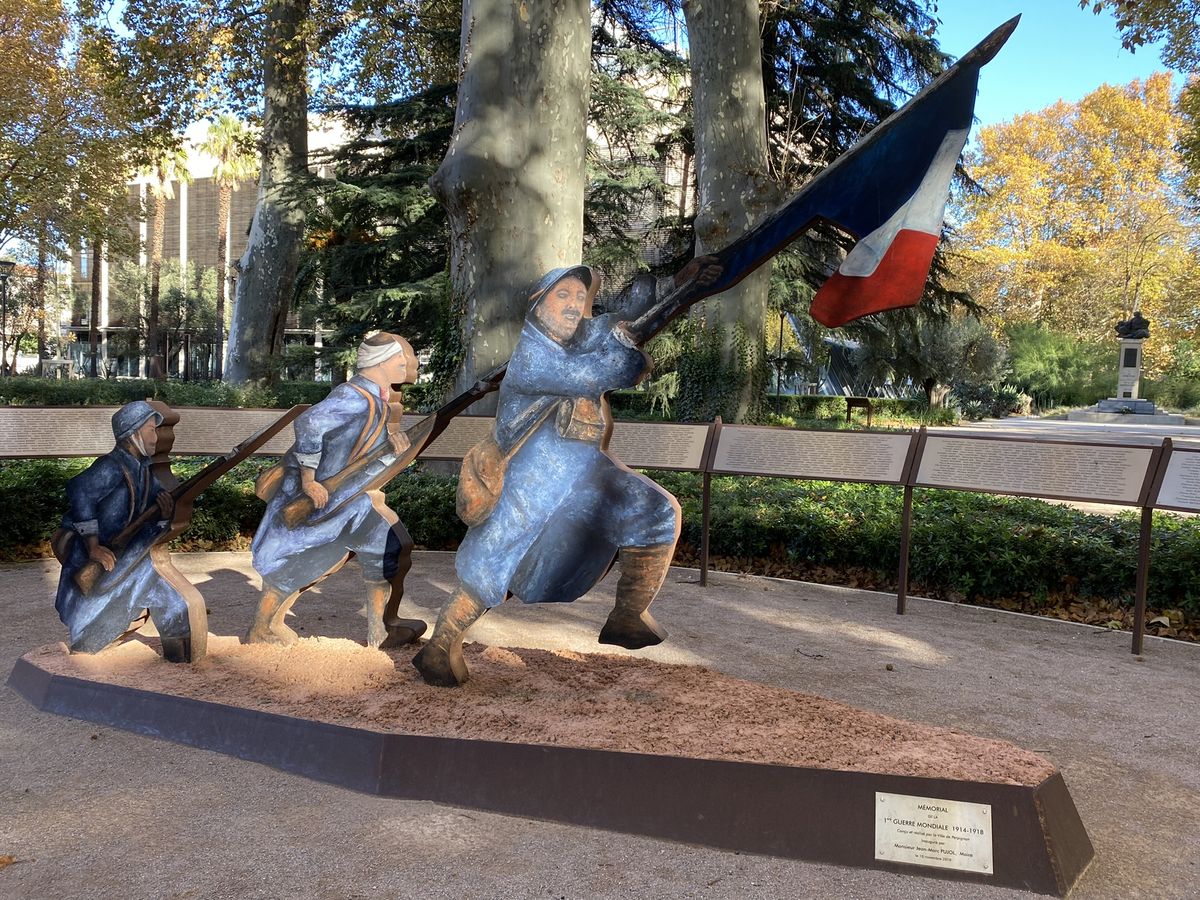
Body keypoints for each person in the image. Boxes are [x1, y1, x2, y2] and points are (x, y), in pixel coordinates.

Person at [413, 258, 721, 686]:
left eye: (581, 297)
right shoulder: (532, 357)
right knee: (494, 560)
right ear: (538, 303)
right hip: (530, 477)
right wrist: (625, 350)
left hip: (585, 472)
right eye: (563, 295)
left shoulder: (580, 338)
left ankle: (627, 615)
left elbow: (627, 316)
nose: (575, 305)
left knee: (654, 510)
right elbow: (608, 370)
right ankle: (440, 647)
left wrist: (676, 287)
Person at [246, 332, 427, 648]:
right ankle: (262, 629)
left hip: (346, 498)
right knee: (295, 558)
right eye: (402, 357)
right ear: (381, 361)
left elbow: (361, 452)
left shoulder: (377, 399)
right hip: (318, 498)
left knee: (389, 547)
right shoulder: (354, 397)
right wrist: (308, 480)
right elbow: (310, 424)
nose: (407, 363)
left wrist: (392, 445)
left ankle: (381, 630)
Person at [54, 401, 203, 662]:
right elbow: (79, 491)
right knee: (91, 619)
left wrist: (166, 512)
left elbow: (158, 504)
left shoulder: (144, 471)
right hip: (103, 557)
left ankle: (179, 654)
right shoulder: (110, 467)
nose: (156, 437)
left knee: (176, 603)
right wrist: (93, 546)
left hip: (131, 554)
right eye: (150, 430)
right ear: (133, 434)